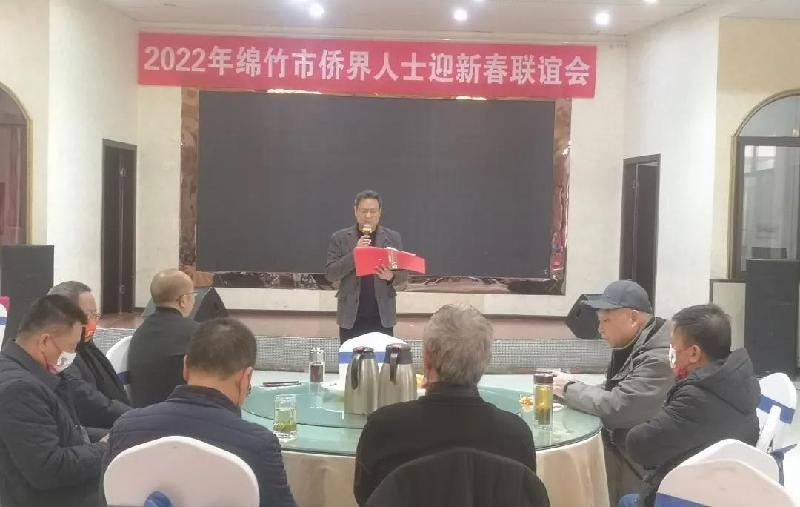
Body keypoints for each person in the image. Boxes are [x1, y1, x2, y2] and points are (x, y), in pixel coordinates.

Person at [353, 304, 540, 506]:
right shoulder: (516, 435)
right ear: (485, 362)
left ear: (427, 360)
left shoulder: (383, 428)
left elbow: (366, 498)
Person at [103, 318, 297, 507]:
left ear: (185, 367)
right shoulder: (258, 445)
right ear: (246, 377)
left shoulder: (125, 429)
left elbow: (106, 497)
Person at [617, 304, 760, 507]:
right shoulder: (737, 379)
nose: (671, 353)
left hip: (691, 497)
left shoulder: (696, 398)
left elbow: (638, 445)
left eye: (674, 346)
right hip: (727, 490)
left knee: (626, 501)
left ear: (693, 353)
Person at [552, 280, 673, 504]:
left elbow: (620, 408)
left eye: (606, 321)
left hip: (644, 465)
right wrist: (571, 389)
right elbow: (614, 389)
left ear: (633, 318)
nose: (600, 329)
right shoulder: (636, 343)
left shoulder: (660, 358)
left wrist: (568, 389)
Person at [0, 295, 107, 507]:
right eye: (71, 347)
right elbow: (49, 468)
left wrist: (118, 434)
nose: (72, 355)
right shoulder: (20, 389)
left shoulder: (29, 370)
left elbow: (64, 430)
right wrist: (106, 448)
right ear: (45, 342)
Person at [326, 190, 408, 344]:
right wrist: (355, 254)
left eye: (373, 211)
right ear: (355, 211)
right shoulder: (340, 238)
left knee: (381, 358)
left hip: (382, 316)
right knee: (350, 358)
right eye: (364, 211)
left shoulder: (392, 237)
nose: (368, 216)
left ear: (380, 212)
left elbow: (403, 277)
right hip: (351, 316)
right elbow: (331, 274)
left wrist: (390, 276)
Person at [49, 281, 130, 428]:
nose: (93, 322)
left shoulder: (86, 346)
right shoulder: (58, 354)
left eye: (95, 315)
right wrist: (133, 417)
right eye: (88, 315)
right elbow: (88, 401)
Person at [128, 269, 199, 407]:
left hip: (142, 411)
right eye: (193, 294)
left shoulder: (140, 332)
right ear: (183, 300)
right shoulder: (196, 332)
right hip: (179, 412)